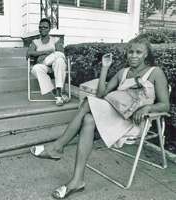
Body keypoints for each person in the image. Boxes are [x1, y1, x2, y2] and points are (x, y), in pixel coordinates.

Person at [30, 36, 170, 199]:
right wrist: (105, 67)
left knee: (87, 105)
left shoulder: (155, 72)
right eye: (130, 52)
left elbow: (165, 105)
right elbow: (101, 94)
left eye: (138, 52)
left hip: (135, 121)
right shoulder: (123, 73)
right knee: (88, 119)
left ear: (146, 54)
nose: (133, 55)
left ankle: (57, 148)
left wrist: (147, 107)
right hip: (116, 115)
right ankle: (77, 181)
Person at [27, 18, 69, 106]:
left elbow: (60, 53)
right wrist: (46, 52)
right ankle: (56, 92)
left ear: (49, 29)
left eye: (45, 27)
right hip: (44, 66)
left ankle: (58, 90)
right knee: (36, 68)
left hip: (55, 65)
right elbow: (29, 52)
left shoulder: (55, 40)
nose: (42, 29)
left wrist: (43, 55)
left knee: (60, 59)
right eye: (40, 27)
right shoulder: (35, 42)